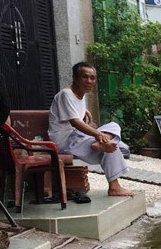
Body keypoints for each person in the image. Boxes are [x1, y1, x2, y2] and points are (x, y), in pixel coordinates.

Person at [48, 62, 134, 197]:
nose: (89, 81)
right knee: (111, 145)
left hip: (77, 137)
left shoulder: (80, 95)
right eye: (85, 77)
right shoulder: (66, 94)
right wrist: (98, 134)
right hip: (65, 140)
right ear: (75, 78)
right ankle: (114, 187)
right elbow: (75, 122)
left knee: (114, 126)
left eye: (92, 78)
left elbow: (75, 114)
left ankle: (101, 143)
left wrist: (85, 111)